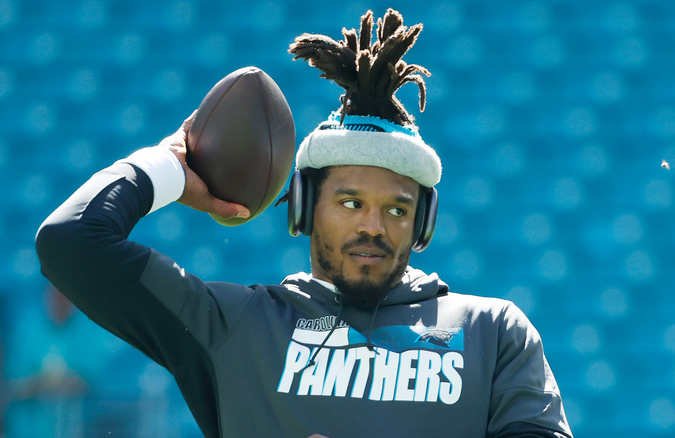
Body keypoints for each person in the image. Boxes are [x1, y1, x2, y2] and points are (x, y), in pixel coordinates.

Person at [36, 9, 572, 438]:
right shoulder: (237, 327)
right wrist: (169, 165)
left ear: (423, 223)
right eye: (350, 202)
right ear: (303, 207)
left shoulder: (493, 332)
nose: (373, 227)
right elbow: (70, 242)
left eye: (397, 209)